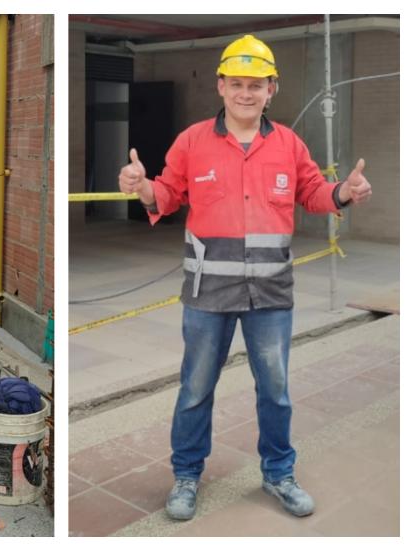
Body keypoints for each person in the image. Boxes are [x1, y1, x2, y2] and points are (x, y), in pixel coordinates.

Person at [118, 34, 372, 521]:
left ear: (272, 88)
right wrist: (142, 187)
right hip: (207, 294)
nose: (246, 93)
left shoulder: (288, 145)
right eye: (237, 83)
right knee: (196, 388)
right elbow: (167, 194)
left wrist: (343, 192)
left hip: (271, 294)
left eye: (256, 85)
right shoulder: (193, 141)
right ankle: (187, 475)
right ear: (221, 85)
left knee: (274, 388)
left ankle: (279, 473)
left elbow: (315, 192)